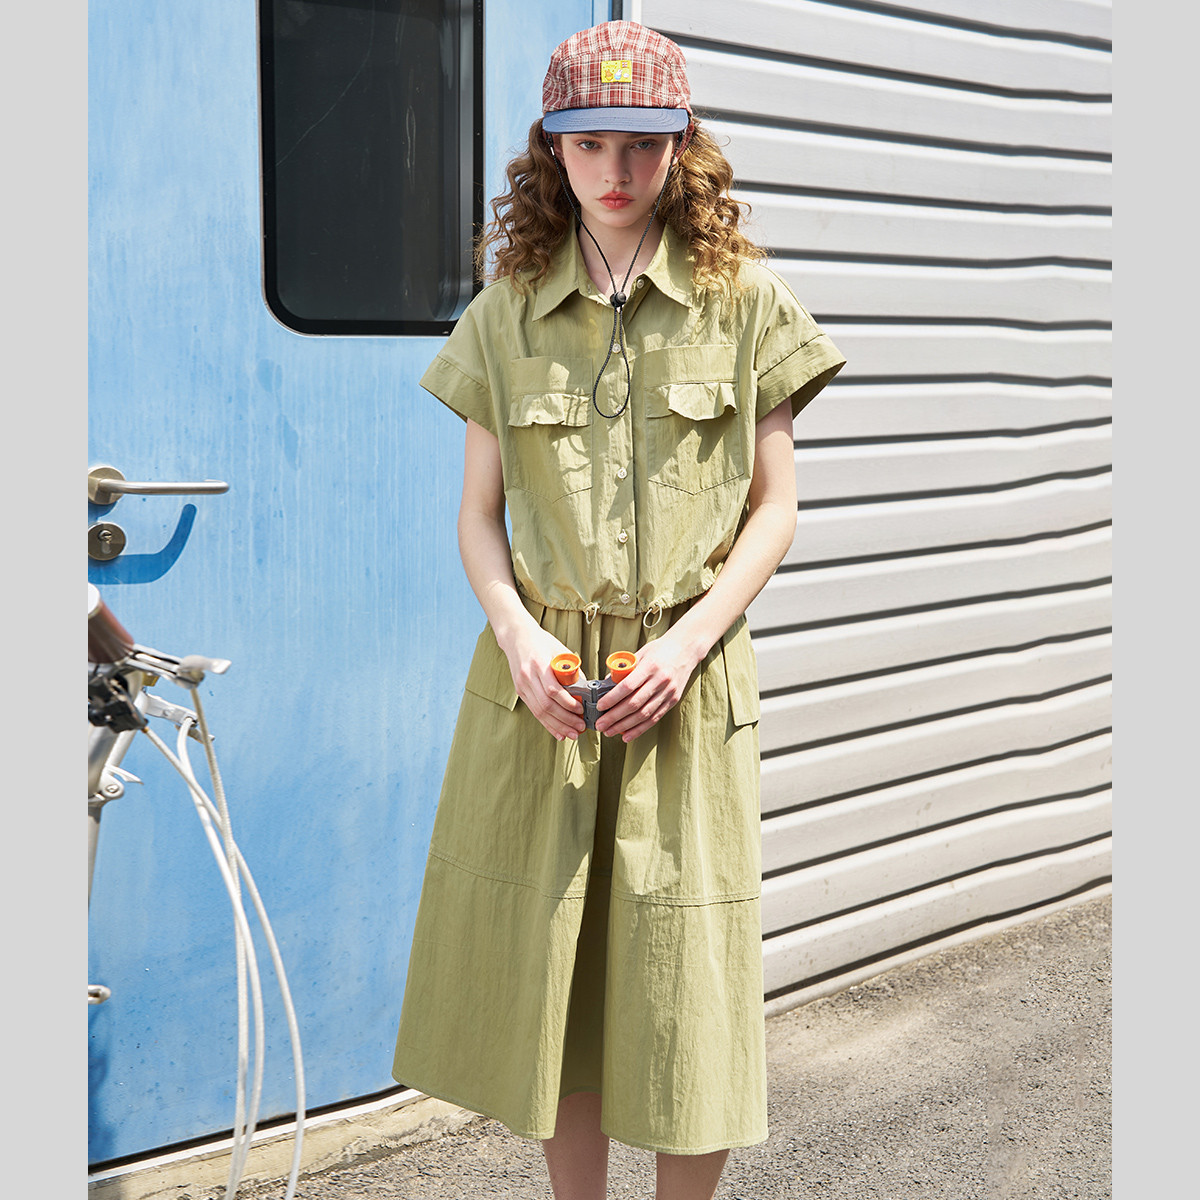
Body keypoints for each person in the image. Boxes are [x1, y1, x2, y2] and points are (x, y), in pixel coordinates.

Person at [393, 20, 845, 1200]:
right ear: (552, 147)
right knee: (563, 979)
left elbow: (777, 508)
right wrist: (518, 639)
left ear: (681, 146)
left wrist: (686, 648)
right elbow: (477, 517)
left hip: (683, 684)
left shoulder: (743, 302)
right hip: (544, 685)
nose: (616, 169)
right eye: (589, 142)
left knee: (688, 981)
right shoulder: (507, 310)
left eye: (642, 143)